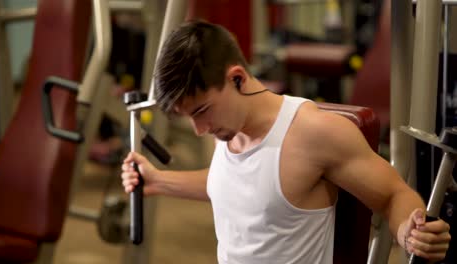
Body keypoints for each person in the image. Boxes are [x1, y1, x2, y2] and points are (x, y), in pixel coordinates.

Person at [121, 21, 451, 263]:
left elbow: (393, 194)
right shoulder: (229, 130)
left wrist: (412, 232)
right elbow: (234, 185)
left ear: (237, 78)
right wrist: (158, 180)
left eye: (202, 111)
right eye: (189, 117)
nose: (199, 129)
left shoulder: (312, 134)